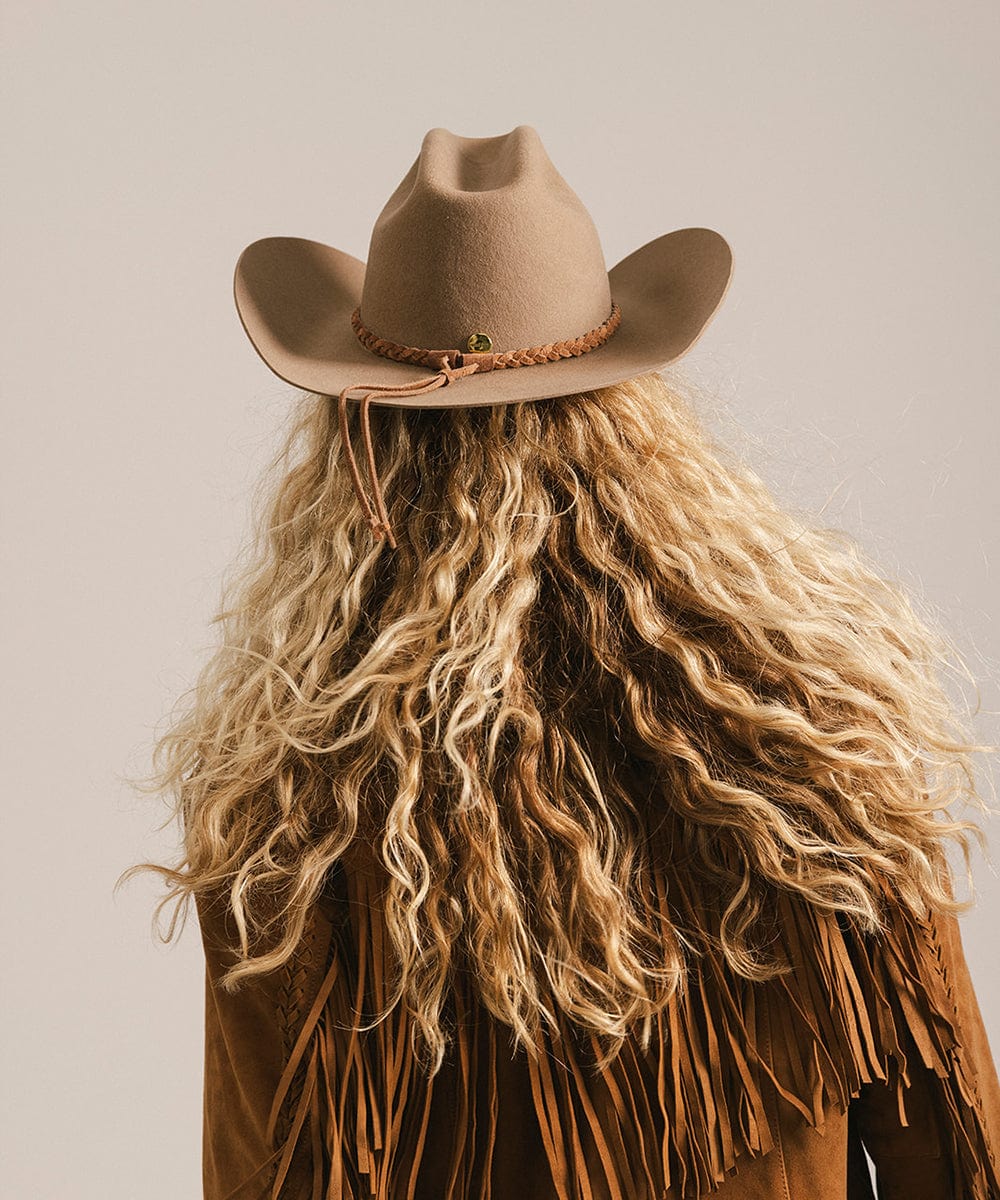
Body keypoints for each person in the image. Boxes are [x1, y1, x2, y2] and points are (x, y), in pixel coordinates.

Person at [122, 125, 1000, 1198]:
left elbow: (268, 1176)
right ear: (640, 425)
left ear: (360, 452)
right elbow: (949, 1157)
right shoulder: (826, 759)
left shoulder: (289, 819)